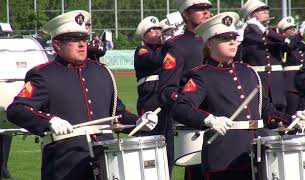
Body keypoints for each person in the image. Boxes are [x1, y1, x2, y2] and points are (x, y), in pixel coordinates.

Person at [6, 10, 158, 180]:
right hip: (65, 166)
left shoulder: (102, 72)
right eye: (74, 39)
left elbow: (117, 114)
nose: (82, 44)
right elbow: (17, 109)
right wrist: (48, 121)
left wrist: (139, 121)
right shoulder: (43, 75)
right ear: (57, 44)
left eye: (84, 39)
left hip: (106, 164)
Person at [171, 12, 305, 180]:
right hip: (223, 160)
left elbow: (266, 111)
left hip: (255, 157)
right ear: (209, 43)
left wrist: (291, 120)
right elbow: (180, 108)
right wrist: (209, 119)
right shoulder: (202, 75)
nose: (232, 42)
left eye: (234, 37)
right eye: (224, 38)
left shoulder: (248, 71)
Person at [158, 0, 212, 178]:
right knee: (196, 172)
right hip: (193, 122)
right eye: (198, 9)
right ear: (185, 15)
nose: (205, 12)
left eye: (207, 8)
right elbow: (166, 91)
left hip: (223, 117)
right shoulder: (178, 45)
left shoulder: (219, 41)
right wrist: (183, 105)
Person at [238, 0, 303, 113]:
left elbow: (290, 45)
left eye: (266, 10)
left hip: (276, 81)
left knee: (279, 115)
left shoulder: (272, 34)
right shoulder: (244, 35)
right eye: (260, 10)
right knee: (259, 112)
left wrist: (300, 33)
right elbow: (238, 60)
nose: (265, 12)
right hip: (257, 80)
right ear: (249, 17)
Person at [277, 16, 305, 115]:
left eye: (293, 28)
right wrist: (300, 33)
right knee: (291, 112)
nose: (293, 31)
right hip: (291, 83)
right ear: (283, 33)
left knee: (304, 110)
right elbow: (290, 45)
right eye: (289, 30)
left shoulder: (302, 44)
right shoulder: (282, 43)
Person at [134, 16, 163, 117]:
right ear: (144, 36)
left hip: (164, 97)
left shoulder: (164, 48)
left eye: (159, 29)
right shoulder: (142, 50)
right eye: (152, 30)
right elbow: (155, 60)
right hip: (150, 99)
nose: (157, 32)